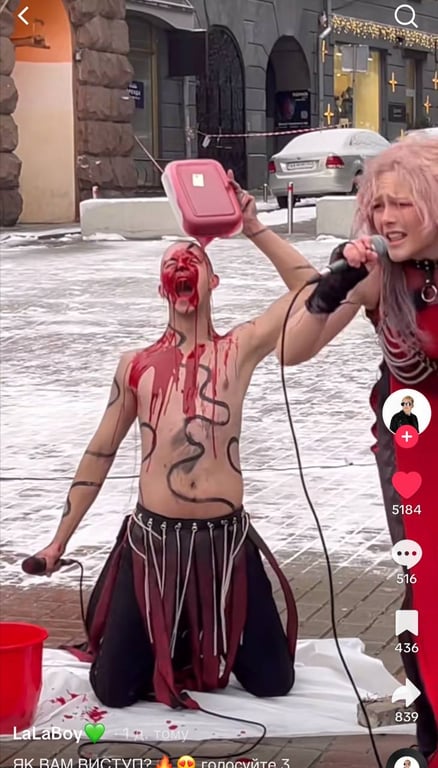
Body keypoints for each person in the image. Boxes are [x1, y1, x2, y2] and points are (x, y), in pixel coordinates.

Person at [31, 176, 318, 710]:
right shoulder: (135, 366)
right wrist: (58, 543)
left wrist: (253, 227)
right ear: (163, 287)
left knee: (273, 682)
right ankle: (175, 636)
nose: (182, 265)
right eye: (172, 263)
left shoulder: (239, 349)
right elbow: (99, 453)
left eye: (194, 261)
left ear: (213, 281)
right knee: (113, 690)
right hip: (152, 546)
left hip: (226, 546)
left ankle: (187, 636)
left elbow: (312, 288)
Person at [275, 136, 438, 765]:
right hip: (412, 452)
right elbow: (292, 349)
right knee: (425, 591)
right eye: (378, 205)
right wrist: (333, 286)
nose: (387, 218)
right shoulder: (375, 273)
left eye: (403, 204)